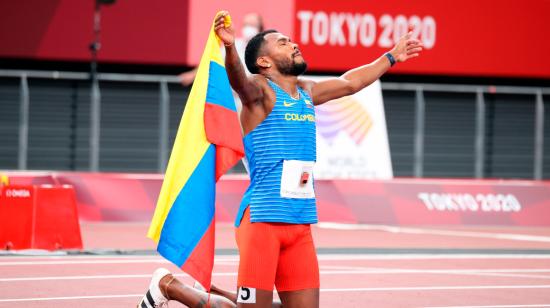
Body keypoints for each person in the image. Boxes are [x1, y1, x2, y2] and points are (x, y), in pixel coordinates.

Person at [139, 10, 422, 308]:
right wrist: (230, 48)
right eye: (284, 43)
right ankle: (168, 285)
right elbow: (240, 82)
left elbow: (351, 82)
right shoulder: (260, 92)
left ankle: (218, 294)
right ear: (264, 61)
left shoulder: (307, 92)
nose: (294, 44)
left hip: (300, 222)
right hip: (263, 221)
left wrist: (391, 56)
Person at [179, 12, 264, 86]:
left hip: (254, 99)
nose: (248, 29)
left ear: (260, 28)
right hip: (233, 98)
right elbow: (212, 60)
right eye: (246, 25)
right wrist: (193, 74)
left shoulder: (265, 49)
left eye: (252, 25)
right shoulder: (234, 45)